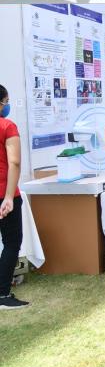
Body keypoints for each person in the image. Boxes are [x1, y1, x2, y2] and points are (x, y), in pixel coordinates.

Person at [0, 85, 28, 309]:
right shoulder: (7, 126)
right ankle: (2, 295)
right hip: (4, 193)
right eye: (6, 101)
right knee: (11, 242)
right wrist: (9, 197)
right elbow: (15, 162)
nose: (7, 105)